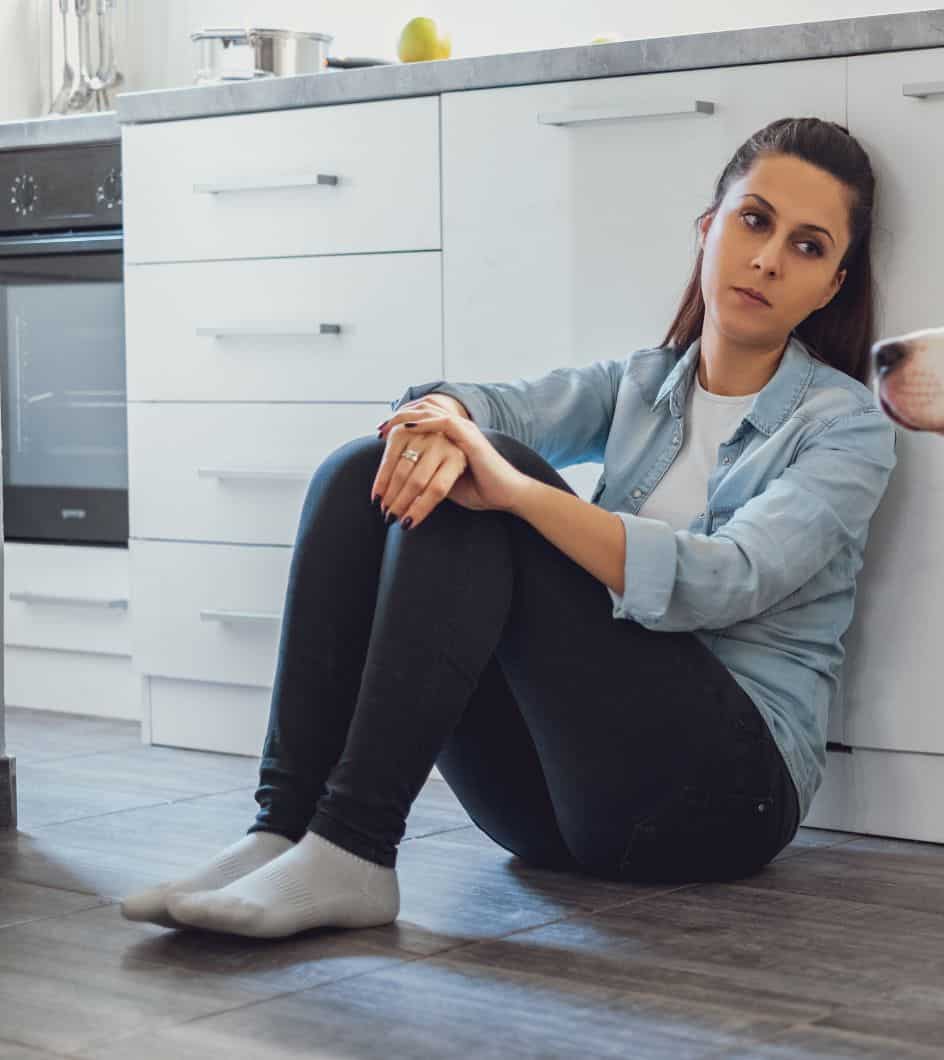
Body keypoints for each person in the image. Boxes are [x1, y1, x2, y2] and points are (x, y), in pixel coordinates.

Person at [120, 117, 897, 938]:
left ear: (832, 285)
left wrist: (520, 492)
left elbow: (726, 578)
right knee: (363, 469)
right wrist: (443, 416)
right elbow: (499, 405)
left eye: (808, 247)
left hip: (723, 799)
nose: (770, 258)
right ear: (709, 230)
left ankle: (354, 845)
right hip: (552, 810)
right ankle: (283, 827)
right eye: (754, 221)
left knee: (493, 488)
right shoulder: (639, 384)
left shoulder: (845, 426)